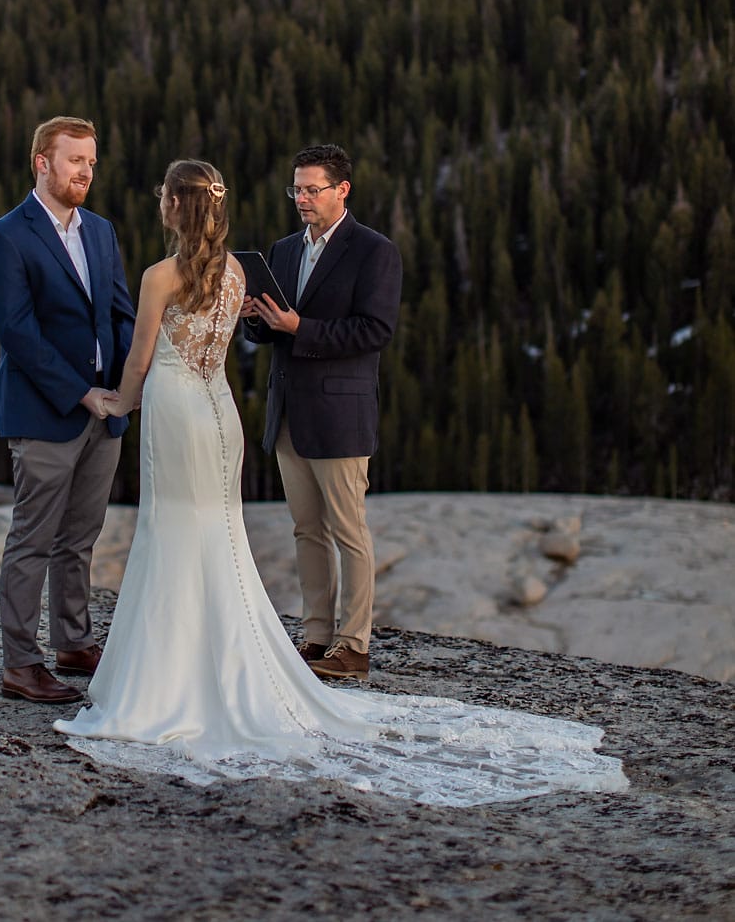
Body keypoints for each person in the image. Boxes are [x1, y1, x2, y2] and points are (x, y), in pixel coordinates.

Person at [55, 158, 627, 805]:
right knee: (222, 540)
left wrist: (115, 403)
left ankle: (183, 677)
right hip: (224, 416)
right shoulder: (238, 269)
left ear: (173, 208)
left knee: (178, 537)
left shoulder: (164, 275)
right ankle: (255, 657)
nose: (300, 197)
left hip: (185, 415)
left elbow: (140, 358)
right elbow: (229, 341)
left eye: (164, 198)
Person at [0, 116, 135, 704]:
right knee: (33, 540)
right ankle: (21, 664)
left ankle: (74, 642)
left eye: (92, 162)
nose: (86, 172)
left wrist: (122, 385)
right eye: (75, 161)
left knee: (80, 538)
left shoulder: (100, 230)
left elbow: (120, 313)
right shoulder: (7, 236)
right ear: (41, 162)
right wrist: (81, 392)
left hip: (105, 409)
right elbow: (17, 334)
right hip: (47, 413)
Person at [242, 143, 401, 682]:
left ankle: (353, 646)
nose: (302, 199)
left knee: (348, 531)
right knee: (306, 530)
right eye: (297, 190)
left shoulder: (374, 251)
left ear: (343, 190)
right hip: (288, 411)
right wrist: (256, 318)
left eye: (312, 189)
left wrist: (297, 329)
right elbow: (269, 329)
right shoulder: (283, 250)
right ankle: (316, 638)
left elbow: (374, 330)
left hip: (340, 415)